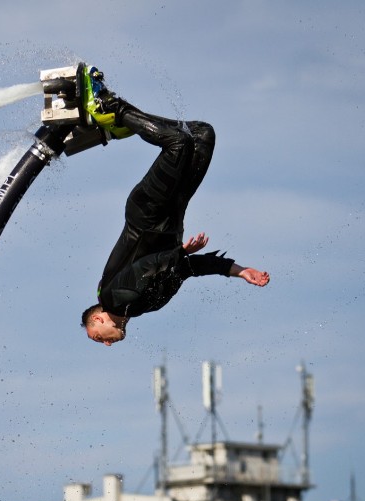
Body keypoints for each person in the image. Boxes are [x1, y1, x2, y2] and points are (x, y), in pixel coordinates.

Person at [80, 69, 270, 346]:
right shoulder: (145, 306)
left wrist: (178, 252)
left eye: (99, 338)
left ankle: (107, 107)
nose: (107, 343)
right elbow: (189, 268)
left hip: (147, 213)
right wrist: (237, 270)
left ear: (98, 319)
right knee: (202, 134)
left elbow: (142, 268)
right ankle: (121, 121)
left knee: (178, 144)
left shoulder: (111, 298)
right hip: (173, 211)